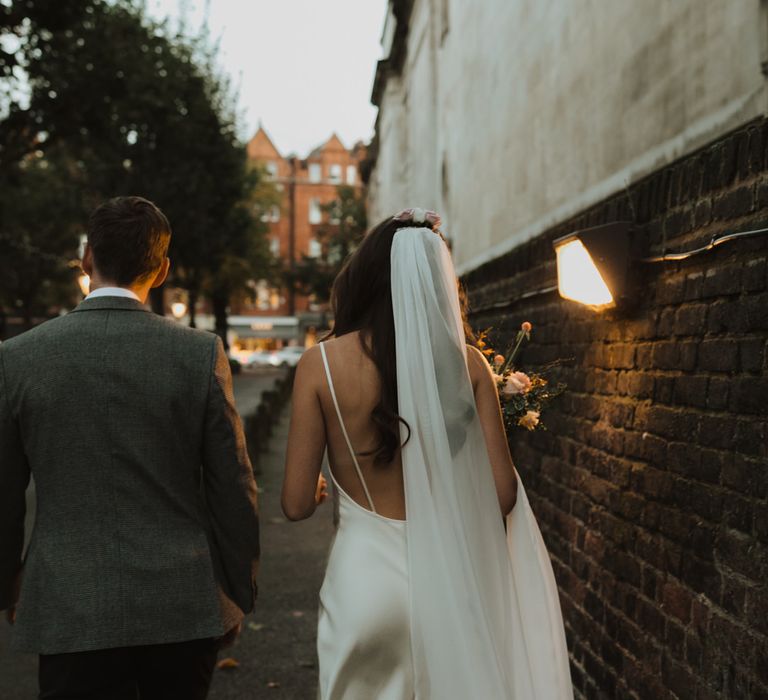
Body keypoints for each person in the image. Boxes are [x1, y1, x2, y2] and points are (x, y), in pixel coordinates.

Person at [282, 208, 573, 699]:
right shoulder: (470, 366)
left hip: (364, 587)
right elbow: (502, 495)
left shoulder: (319, 364)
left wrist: (315, 490)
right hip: (448, 581)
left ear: (366, 279)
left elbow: (293, 505)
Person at [0, 196, 260, 700]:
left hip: (69, 603)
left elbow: (4, 492)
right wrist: (235, 593)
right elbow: (234, 484)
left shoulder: (17, 358)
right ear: (162, 270)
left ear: (87, 259)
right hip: (182, 602)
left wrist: (10, 584)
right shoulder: (198, 353)